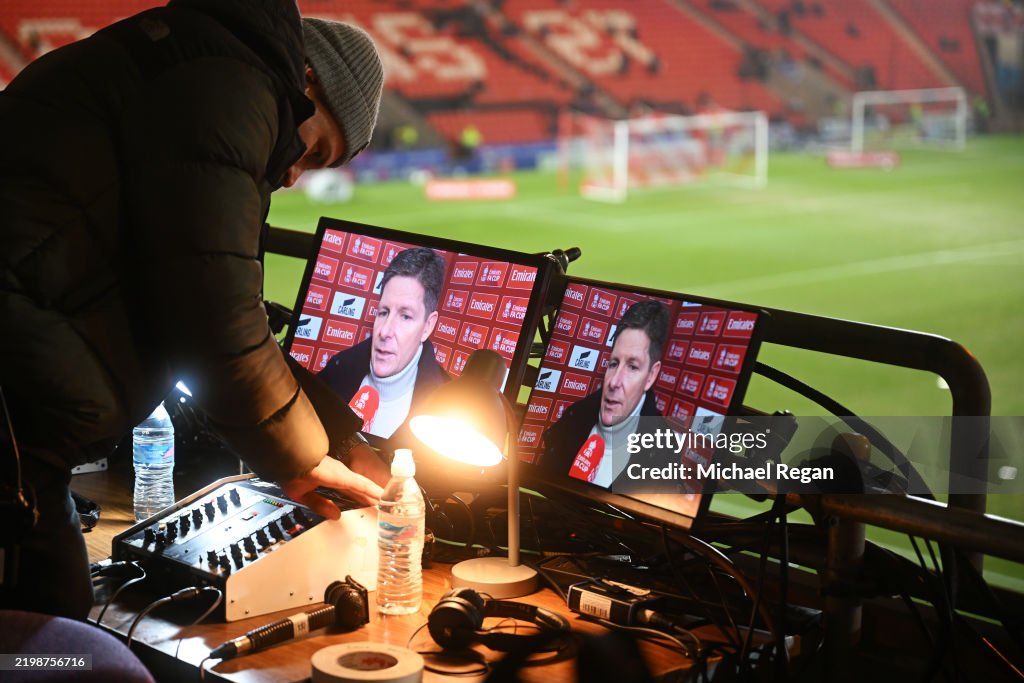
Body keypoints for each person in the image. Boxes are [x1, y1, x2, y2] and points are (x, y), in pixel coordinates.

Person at [0, 0, 386, 620]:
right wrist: (301, 457)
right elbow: (212, 311)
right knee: (62, 649)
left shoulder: (208, 59)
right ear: (308, 83)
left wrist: (337, 434)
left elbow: (197, 289)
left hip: (27, 425)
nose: (293, 175)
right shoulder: (235, 85)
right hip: (15, 427)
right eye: (314, 152)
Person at [319, 247, 449, 445]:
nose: (385, 331)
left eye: (405, 316)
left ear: (427, 326)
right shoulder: (336, 373)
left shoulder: (445, 408)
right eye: (383, 312)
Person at [540, 300, 670, 489]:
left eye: (633, 367)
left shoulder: (663, 457)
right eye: (614, 363)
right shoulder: (574, 418)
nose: (614, 382)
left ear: (651, 376)